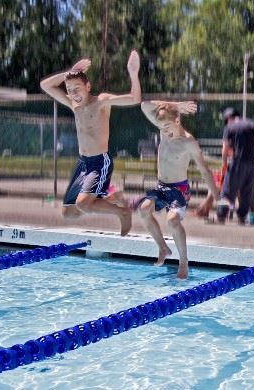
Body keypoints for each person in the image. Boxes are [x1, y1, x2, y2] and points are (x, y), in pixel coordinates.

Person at [40, 50, 141, 236]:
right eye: (69, 90)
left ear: (88, 86)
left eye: (77, 88)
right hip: (83, 163)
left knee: (83, 204)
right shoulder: (73, 104)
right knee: (68, 213)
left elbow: (134, 98)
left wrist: (134, 74)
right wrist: (68, 73)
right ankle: (114, 197)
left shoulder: (101, 101)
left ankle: (123, 212)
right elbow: (45, 85)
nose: (73, 93)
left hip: (99, 162)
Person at [136, 100, 219, 279]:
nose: (164, 131)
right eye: (161, 127)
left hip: (179, 189)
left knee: (172, 221)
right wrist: (176, 105)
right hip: (161, 186)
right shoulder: (165, 130)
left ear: (178, 121)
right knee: (143, 210)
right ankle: (163, 248)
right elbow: (144, 105)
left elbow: (204, 169)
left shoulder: (189, 142)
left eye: (167, 127)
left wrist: (217, 196)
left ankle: (183, 263)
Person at [216, 107, 254, 224]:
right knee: (247, 192)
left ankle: (221, 216)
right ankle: (242, 217)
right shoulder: (252, 124)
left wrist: (224, 164)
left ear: (229, 118)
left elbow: (225, 149)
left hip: (237, 163)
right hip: (251, 163)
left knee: (228, 191)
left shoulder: (230, 127)